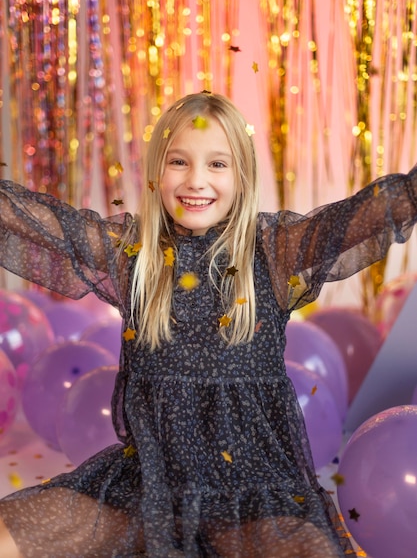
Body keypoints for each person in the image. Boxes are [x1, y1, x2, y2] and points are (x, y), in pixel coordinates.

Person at [0, 91, 416, 558]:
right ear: (157, 172)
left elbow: (356, 218)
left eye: (217, 164)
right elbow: (41, 224)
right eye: (179, 161)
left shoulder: (273, 251)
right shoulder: (133, 255)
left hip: (255, 497)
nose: (196, 180)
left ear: (242, 176)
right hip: (144, 491)